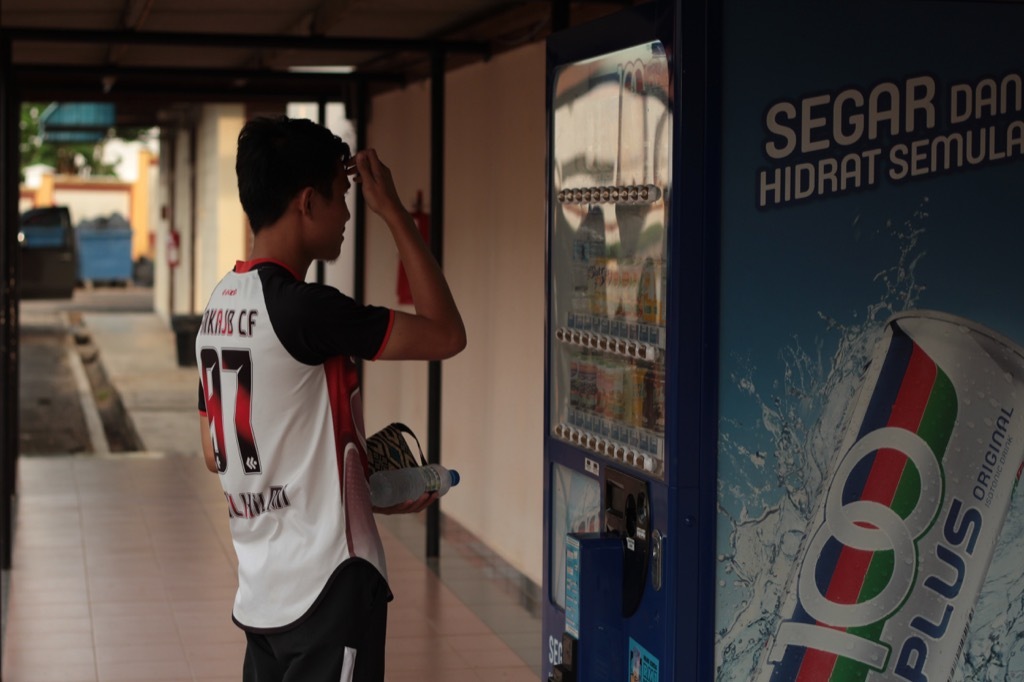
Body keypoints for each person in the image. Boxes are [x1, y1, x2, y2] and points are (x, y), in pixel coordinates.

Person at [194, 116, 466, 682]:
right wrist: (392, 209)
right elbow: (446, 333)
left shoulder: (219, 306)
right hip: (330, 585)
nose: (348, 214)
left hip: (263, 592)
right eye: (342, 198)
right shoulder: (308, 308)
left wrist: (344, 481)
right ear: (306, 202)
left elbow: (214, 449)